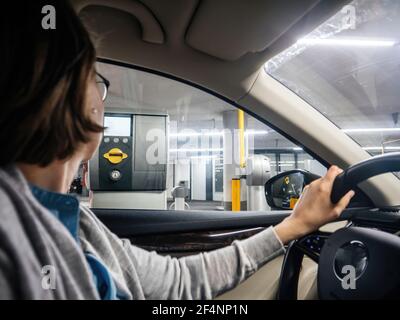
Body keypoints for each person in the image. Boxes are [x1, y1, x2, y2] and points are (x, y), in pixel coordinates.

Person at [0, 1, 355, 300]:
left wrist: (294, 225)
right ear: (62, 92)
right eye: (94, 78)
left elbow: (178, 281)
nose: (100, 97)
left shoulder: (77, 225)